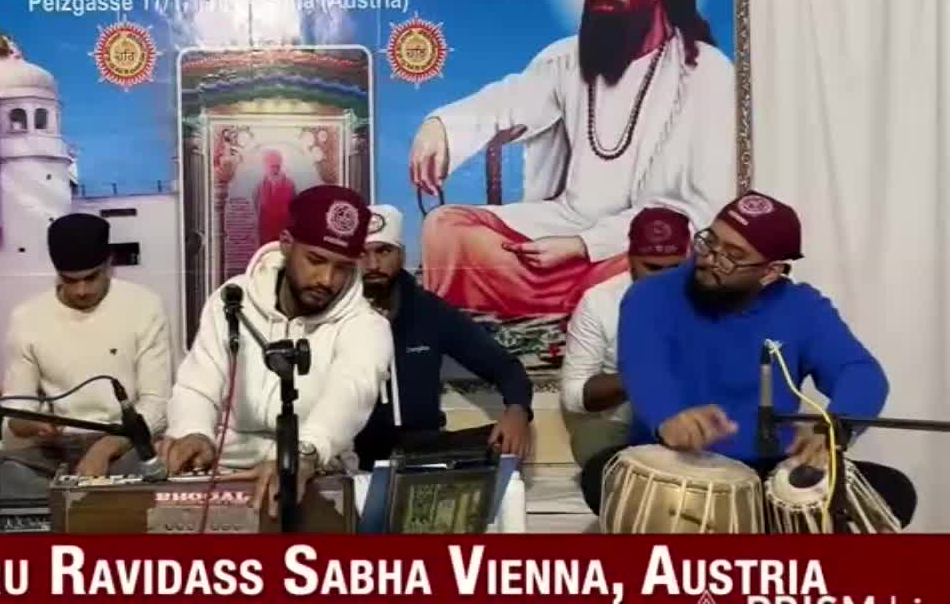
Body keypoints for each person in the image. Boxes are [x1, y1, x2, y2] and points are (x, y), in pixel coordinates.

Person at [410, 0, 736, 320]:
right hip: (564, 222)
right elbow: (507, 99)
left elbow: (704, 208)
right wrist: (440, 125)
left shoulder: (706, 72)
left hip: (640, 244)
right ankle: (568, 301)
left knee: (663, 267)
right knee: (444, 227)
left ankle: (573, 301)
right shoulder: (567, 59)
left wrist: (584, 246)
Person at [579, 191, 917, 527]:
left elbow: (859, 371)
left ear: (770, 272)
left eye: (733, 256)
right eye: (710, 242)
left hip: (768, 471)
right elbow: (643, 369)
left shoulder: (802, 307)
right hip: (673, 463)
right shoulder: (651, 295)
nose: (709, 259)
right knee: (600, 476)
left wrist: (833, 427)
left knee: (893, 490)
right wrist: (667, 418)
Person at [162, 185, 393, 517]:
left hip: (315, 473)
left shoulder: (367, 325)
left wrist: (302, 455)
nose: (327, 279)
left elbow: (352, 393)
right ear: (286, 243)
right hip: (222, 471)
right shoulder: (232, 300)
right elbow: (197, 385)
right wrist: (193, 431)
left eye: (342, 267)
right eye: (315, 260)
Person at [0, 213, 170, 505]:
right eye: (70, 280)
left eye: (91, 278)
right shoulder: (27, 318)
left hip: (124, 446)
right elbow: (17, 409)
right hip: (54, 452)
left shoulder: (145, 307)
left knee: (166, 462)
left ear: (109, 264)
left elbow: (156, 405)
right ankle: (85, 499)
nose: (81, 290)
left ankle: (62, 500)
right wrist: (31, 424)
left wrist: (106, 448)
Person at [352, 204, 534, 469]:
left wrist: (518, 410)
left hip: (421, 452)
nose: (373, 265)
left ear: (401, 255)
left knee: (496, 446)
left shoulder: (428, 310)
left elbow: (507, 368)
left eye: (384, 251)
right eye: (361, 254)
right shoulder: (335, 315)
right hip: (351, 452)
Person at [560, 207, 690, 467]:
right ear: (630, 259)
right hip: (628, 430)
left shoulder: (708, 294)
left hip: (696, 423)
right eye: (653, 267)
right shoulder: (599, 301)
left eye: (675, 267)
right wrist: (641, 376)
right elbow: (573, 397)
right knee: (591, 440)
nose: (665, 278)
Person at [253, 149, 297, 246]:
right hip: (266, 234)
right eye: (272, 166)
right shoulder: (260, 186)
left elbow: (294, 210)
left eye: (277, 166)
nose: (275, 170)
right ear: (266, 166)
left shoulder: (290, 185)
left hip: (284, 234)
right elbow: (257, 209)